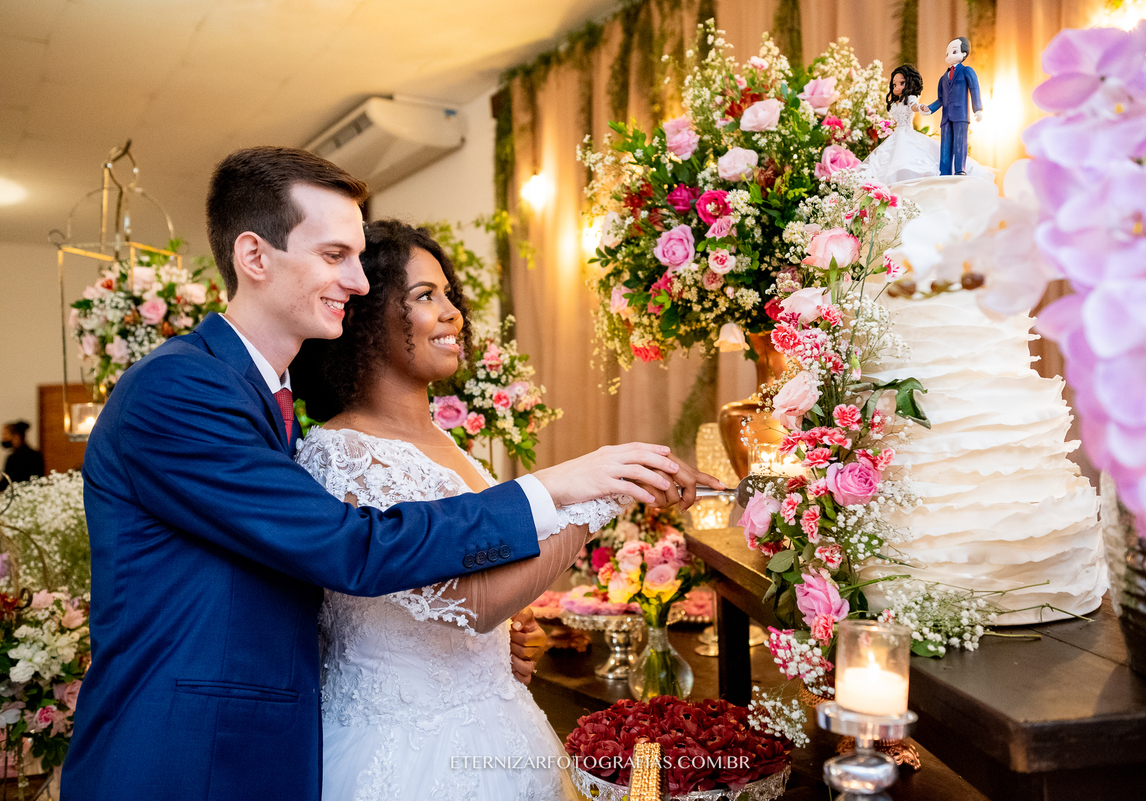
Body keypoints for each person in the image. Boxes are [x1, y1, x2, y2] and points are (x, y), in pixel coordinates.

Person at [61, 146, 720, 801]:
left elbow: (301, 584)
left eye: (357, 256)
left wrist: (477, 649)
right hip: (183, 758)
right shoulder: (181, 389)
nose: (358, 281)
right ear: (254, 257)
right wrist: (560, 488)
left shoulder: (267, 402)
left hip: (267, 747)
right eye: (334, 255)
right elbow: (352, 549)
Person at [293, 219, 630, 799]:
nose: (454, 313)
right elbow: (471, 603)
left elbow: (483, 597)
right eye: (426, 296)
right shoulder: (340, 454)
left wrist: (511, 642)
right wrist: (600, 496)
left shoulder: (453, 447)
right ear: (366, 317)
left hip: (502, 727)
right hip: (405, 756)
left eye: (449, 294)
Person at [859, 63, 993, 185]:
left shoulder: (910, 98)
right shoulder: (895, 102)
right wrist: (884, 126)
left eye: (901, 83)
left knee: (908, 160)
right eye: (894, 85)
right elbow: (894, 119)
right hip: (895, 136)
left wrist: (920, 107)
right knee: (887, 163)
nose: (897, 87)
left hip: (906, 134)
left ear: (909, 83)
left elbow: (913, 106)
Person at [920, 37, 984, 176]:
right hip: (946, 117)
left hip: (960, 115)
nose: (949, 56)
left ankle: (960, 170)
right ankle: (944, 172)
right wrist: (929, 109)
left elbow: (974, 88)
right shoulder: (943, 78)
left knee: (960, 143)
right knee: (945, 146)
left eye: (954, 52)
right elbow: (941, 99)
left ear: (964, 54)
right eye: (947, 53)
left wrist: (977, 109)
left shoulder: (967, 71)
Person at [1, 421, 43, 489]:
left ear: (16, 436)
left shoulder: (13, 458)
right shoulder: (36, 455)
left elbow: (6, 483)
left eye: (5, 434)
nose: (3, 438)